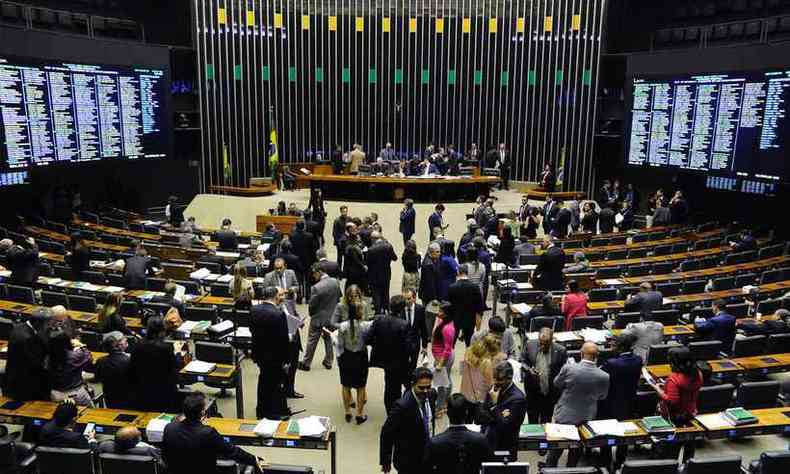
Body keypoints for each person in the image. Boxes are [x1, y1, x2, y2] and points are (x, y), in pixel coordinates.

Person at [163, 392, 264, 474]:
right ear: (202, 413)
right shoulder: (207, 433)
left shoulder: (169, 428)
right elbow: (232, 451)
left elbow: (165, 457)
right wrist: (255, 459)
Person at [546, 343, 610, 467]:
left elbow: (556, 384)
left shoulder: (568, 368)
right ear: (597, 356)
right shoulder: (604, 376)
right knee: (576, 450)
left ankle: (549, 469)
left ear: (581, 353)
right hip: (586, 417)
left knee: (555, 449)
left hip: (564, 415)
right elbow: (603, 396)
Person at [644, 347, 703, 463]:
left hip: (672, 417)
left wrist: (658, 390)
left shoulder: (674, 379)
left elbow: (672, 400)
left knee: (668, 448)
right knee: (688, 444)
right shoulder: (698, 374)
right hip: (690, 413)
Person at [598, 334, 643, 472]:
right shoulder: (638, 360)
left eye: (614, 344)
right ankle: (620, 463)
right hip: (629, 402)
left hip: (610, 403)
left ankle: (605, 463)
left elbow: (599, 376)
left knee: (607, 433)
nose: (612, 346)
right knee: (624, 434)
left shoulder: (611, 364)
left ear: (620, 347)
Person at [380, 367, 436, 474]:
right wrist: (386, 461)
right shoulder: (402, 406)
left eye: (428, 387)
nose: (425, 391)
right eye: (421, 387)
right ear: (412, 385)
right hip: (408, 460)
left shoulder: (432, 395)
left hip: (428, 455)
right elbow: (387, 432)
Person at [423, 393, 494, 473]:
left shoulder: (435, 443)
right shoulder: (480, 440)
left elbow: (427, 468)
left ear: (447, 412)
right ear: (466, 412)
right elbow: (490, 465)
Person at [368, 295, 415, 413]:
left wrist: (380, 346)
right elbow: (408, 348)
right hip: (399, 362)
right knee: (400, 386)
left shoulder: (378, 319)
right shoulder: (404, 324)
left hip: (384, 360)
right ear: (402, 309)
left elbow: (368, 338)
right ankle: (397, 411)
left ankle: (390, 411)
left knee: (389, 386)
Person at [333, 288, 374, 424]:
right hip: (360, 356)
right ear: (358, 313)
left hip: (346, 356)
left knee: (346, 385)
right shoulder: (366, 325)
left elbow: (339, 344)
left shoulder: (343, 326)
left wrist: (339, 357)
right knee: (361, 386)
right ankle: (360, 414)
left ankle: (347, 412)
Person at [250, 287, 291, 419]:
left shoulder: (254, 310)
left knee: (263, 381)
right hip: (275, 357)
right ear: (275, 297)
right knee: (274, 385)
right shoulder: (279, 314)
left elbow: (252, 330)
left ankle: (261, 410)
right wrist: (287, 361)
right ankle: (273, 413)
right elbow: (284, 341)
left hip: (259, 354)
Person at [128, 317, 182, 412]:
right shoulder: (166, 348)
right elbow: (174, 366)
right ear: (162, 331)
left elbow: (132, 368)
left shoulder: (137, 346)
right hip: (164, 389)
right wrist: (177, 353)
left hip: (142, 388)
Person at [479, 361, 527, 459]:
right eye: (494, 378)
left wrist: (495, 405)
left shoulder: (518, 399)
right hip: (488, 442)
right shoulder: (493, 389)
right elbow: (482, 414)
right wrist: (499, 415)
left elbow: (506, 426)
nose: (495, 382)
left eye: (499, 379)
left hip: (505, 448)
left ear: (509, 378)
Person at [300, 264, 342, 371]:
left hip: (318, 318)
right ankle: (329, 361)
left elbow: (312, 305)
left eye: (314, 274)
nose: (313, 277)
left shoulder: (316, 288)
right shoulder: (335, 282)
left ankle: (306, 363)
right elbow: (339, 297)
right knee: (328, 338)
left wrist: (312, 314)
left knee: (312, 340)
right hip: (331, 316)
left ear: (319, 272)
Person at [521, 327, 568, 424]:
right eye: (540, 343)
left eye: (545, 343)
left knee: (546, 420)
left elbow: (564, 371)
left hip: (550, 392)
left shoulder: (560, 351)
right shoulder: (530, 345)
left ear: (551, 340)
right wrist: (529, 370)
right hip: (532, 390)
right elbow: (522, 362)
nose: (542, 346)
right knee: (532, 418)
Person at [3, 307, 50, 401]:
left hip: (13, 374)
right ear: (38, 323)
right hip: (24, 382)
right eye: (47, 324)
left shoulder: (19, 327)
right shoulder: (28, 338)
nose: (48, 326)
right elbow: (36, 364)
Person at [48, 330, 93, 405]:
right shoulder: (75, 356)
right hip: (76, 394)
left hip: (55, 395)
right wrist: (80, 344)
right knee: (90, 414)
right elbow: (89, 357)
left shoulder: (47, 358)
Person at [447, 263, 485, 347]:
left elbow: (448, 307)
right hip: (470, 321)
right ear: (467, 272)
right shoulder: (475, 287)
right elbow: (479, 310)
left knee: (451, 345)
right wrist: (478, 328)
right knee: (469, 345)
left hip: (455, 320)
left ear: (458, 272)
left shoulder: (452, 287)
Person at [461, 335, 505, 403]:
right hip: (479, 396)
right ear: (490, 352)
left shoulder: (468, 351)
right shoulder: (486, 363)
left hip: (465, 390)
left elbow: (461, 371)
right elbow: (489, 385)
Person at [431, 301, 456, 417]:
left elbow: (447, 349)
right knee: (447, 379)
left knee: (441, 384)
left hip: (444, 358)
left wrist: (440, 364)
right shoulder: (443, 321)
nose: (438, 312)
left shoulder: (447, 329)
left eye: (441, 311)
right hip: (441, 356)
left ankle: (440, 407)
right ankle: (446, 401)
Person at [94, 331, 132, 409]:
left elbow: (97, 378)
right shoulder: (130, 360)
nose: (126, 339)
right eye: (123, 339)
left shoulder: (100, 361)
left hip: (110, 399)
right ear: (118, 344)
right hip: (129, 398)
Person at [98, 426, 164, 469]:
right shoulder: (148, 451)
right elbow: (162, 465)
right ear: (135, 442)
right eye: (138, 433)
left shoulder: (104, 445)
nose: (140, 432)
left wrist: (92, 440)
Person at [367, 231, 398, 313]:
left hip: (374, 276)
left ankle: (378, 312)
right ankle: (387, 309)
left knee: (376, 295)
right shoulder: (388, 246)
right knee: (386, 293)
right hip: (386, 275)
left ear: (373, 239)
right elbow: (395, 258)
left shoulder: (370, 250)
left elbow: (367, 263)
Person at [402, 288, 428, 376]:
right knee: (404, 365)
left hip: (415, 343)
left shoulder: (420, 309)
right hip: (403, 344)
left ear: (414, 298)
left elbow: (423, 328)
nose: (406, 301)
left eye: (408, 298)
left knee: (413, 364)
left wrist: (425, 346)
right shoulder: (400, 308)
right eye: (404, 299)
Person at [290, 219, 318, 301]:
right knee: (308, 281)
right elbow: (312, 250)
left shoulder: (292, 236)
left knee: (298, 281)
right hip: (307, 261)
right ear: (304, 226)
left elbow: (291, 249)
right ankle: (308, 298)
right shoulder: (310, 236)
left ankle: (299, 298)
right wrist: (314, 261)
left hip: (297, 261)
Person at [344, 223, 368, 293]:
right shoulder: (349, 241)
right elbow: (355, 259)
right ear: (350, 230)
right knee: (351, 283)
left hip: (356, 267)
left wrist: (363, 247)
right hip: (353, 268)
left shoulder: (355, 238)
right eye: (355, 228)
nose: (357, 230)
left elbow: (361, 245)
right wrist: (363, 266)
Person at [332, 205, 350, 271]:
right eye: (343, 211)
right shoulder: (337, 220)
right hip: (340, 242)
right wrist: (338, 242)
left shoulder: (349, 219)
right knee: (339, 258)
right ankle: (339, 272)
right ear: (341, 212)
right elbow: (334, 233)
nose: (345, 213)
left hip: (347, 241)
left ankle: (345, 272)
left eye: (346, 211)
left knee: (346, 258)